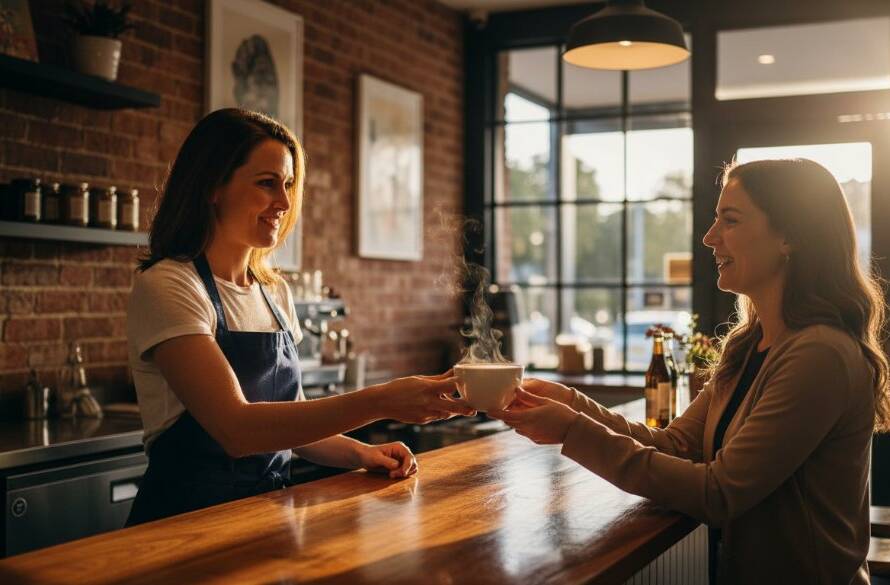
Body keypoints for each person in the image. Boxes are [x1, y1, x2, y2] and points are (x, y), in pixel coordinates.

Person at [491, 159, 889, 584]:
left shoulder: (820, 355)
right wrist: (573, 405)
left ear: (790, 236)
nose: (709, 237)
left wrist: (572, 430)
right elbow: (678, 444)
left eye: (729, 220)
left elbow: (718, 493)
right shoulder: (750, 344)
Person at [126, 108, 473, 526]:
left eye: (288, 184)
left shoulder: (275, 292)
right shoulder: (170, 285)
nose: (286, 202)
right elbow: (237, 429)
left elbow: (293, 418)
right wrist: (383, 401)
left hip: (264, 518)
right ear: (212, 186)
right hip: (181, 526)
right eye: (267, 183)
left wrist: (362, 453)